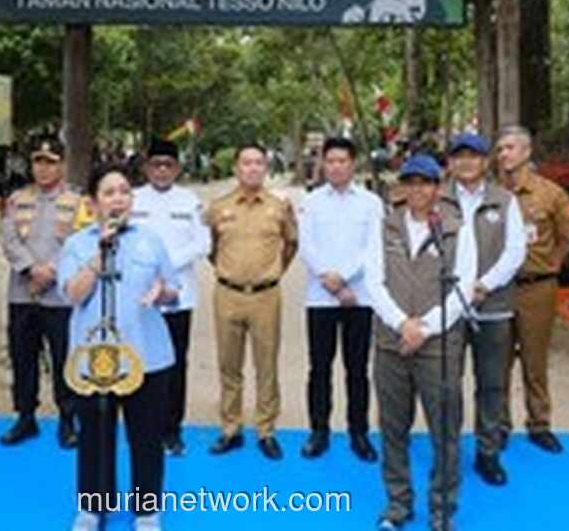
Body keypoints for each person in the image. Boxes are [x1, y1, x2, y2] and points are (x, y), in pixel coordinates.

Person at [60, 163, 179, 531]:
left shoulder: (150, 240)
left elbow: (173, 292)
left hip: (147, 355)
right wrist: (99, 254)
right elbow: (72, 295)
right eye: (109, 192)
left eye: (124, 192)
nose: (118, 199)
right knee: (95, 434)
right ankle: (95, 505)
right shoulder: (77, 244)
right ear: (93, 202)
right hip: (94, 359)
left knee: (146, 436)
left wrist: (162, 293)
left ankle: (146, 510)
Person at [369, 154, 468, 531]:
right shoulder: (384, 227)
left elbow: (464, 284)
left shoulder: (457, 228)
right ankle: (398, 504)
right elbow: (372, 281)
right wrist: (400, 324)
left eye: (424, 183)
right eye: (410, 182)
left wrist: (422, 329)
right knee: (393, 427)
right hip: (390, 342)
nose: (417, 190)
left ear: (437, 187)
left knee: (445, 429)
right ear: (401, 187)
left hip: (439, 346)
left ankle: (442, 510)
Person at [441, 132, 526, 486]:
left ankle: (487, 452)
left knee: (492, 384)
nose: (466, 162)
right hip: (447, 309)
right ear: (451, 162)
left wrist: (484, 285)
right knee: (447, 384)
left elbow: (515, 251)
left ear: (485, 161)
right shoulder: (438, 200)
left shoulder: (504, 200)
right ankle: (447, 455)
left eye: (473, 156)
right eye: (459, 156)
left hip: (493, 306)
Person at [205, 143, 298, 461]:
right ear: (236, 169)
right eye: (246, 163)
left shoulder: (279, 207)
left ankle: (266, 430)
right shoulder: (218, 207)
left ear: (266, 169)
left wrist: (271, 274)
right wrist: (229, 271)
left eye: (259, 163)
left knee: (266, 366)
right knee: (229, 365)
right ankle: (230, 428)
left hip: (266, 296)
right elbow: (210, 247)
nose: (253, 169)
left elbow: (291, 245)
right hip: (227, 294)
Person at [296, 136, 382, 462]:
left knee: (357, 368)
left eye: (342, 161)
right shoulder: (311, 201)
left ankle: (358, 431)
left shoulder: (371, 203)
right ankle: (319, 430)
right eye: (329, 161)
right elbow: (307, 246)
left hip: (359, 298)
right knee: (319, 367)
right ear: (323, 164)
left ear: (353, 163)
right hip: (320, 298)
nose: (335, 166)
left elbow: (372, 248)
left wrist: (344, 278)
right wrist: (330, 281)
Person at [494, 125, 569, 454]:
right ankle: (499, 424)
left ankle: (539, 423)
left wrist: (551, 264)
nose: (503, 155)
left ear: (527, 152)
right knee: (497, 361)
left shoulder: (551, 194)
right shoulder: (492, 195)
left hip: (537, 288)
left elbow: (568, 236)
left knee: (535, 359)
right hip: (499, 289)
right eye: (500, 149)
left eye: (510, 148)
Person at [0, 135, 87, 448]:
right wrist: (30, 268)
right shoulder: (17, 199)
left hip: (60, 296)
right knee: (23, 358)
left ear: (61, 164)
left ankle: (68, 419)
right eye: (38, 161)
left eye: (50, 162)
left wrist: (51, 270)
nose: (44, 168)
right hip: (22, 294)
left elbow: (80, 242)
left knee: (64, 357)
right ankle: (25, 417)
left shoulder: (78, 203)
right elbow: (8, 239)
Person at [131, 138, 211, 457]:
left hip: (179, 294)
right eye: (156, 164)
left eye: (168, 165)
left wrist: (165, 264)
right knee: (140, 361)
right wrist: (148, 268)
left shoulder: (190, 201)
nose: (162, 170)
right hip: (139, 296)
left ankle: (171, 429)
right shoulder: (133, 199)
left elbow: (202, 244)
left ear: (177, 168)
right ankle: (142, 425)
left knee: (175, 363)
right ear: (146, 167)